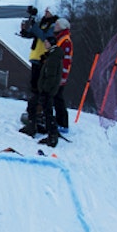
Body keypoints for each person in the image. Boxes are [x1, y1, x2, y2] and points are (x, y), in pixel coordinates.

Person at [35, 17, 72, 147]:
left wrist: (62, 76)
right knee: (55, 98)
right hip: (57, 75)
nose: (55, 26)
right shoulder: (60, 38)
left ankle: (62, 123)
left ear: (62, 27)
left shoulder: (65, 40)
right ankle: (56, 122)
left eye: (57, 25)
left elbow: (65, 60)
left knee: (57, 98)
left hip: (58, 76)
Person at [19, 7, 57, 135]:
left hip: (43, 59)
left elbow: (44, 37)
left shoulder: (53, 25)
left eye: (48, 11)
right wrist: (25, 31)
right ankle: (33, 112)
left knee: (39, 88)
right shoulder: (43, 23)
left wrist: (35, 26)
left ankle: (37, 114)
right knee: (34, 86)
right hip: (36, 57)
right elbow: (34, 34)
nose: (45, 13)